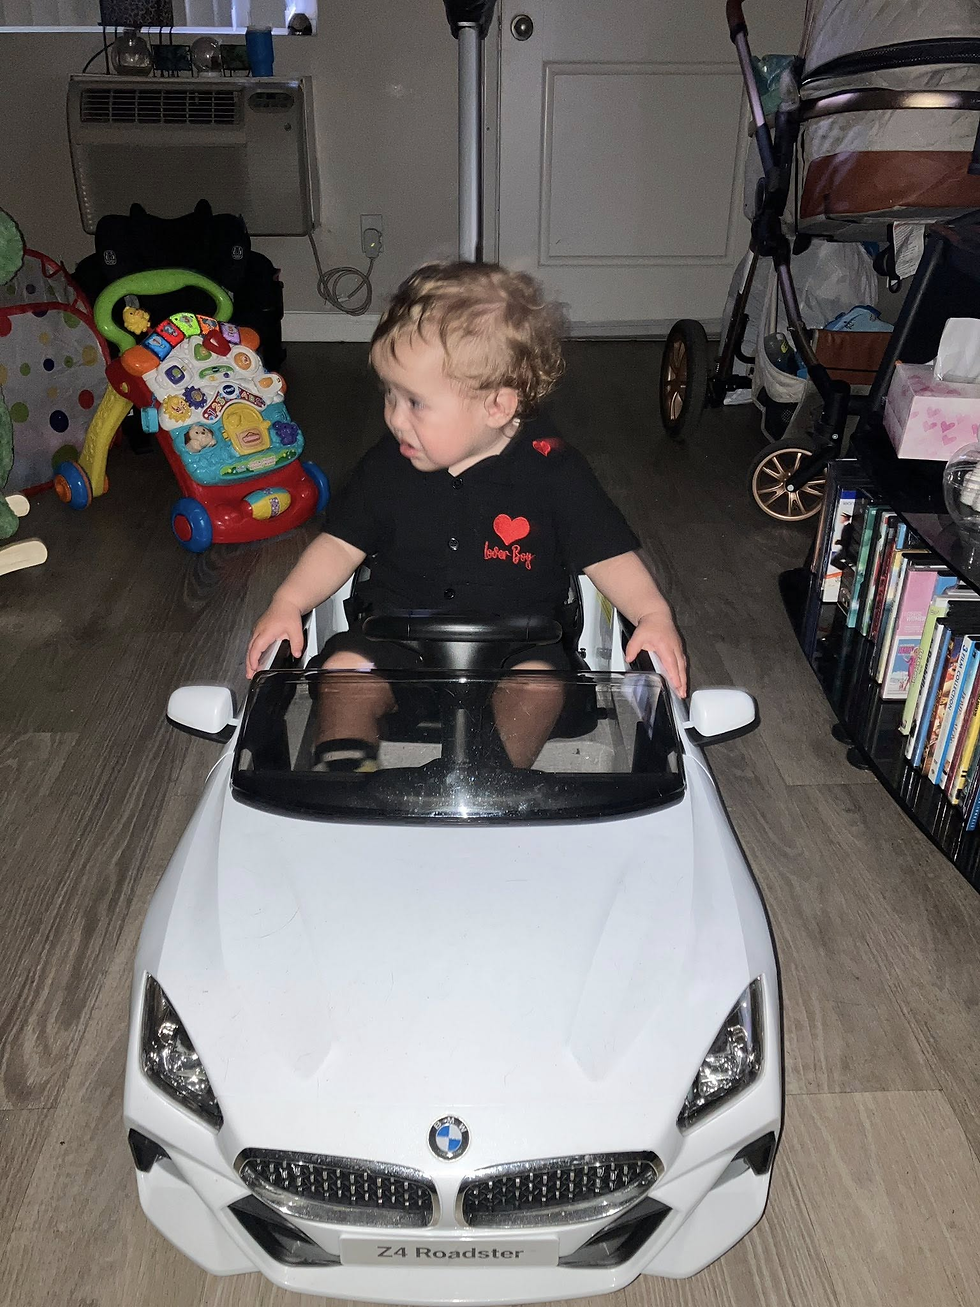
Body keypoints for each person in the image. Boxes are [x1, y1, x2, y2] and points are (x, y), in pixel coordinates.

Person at [246, 261, 687, 770]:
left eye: (415, 402)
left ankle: (493, 774)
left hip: (519, 650)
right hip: (397, 646)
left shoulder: (554, 471)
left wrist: (652, 616)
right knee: (345, 671)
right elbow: (339, 545)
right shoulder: (387, 465)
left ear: (496, 406)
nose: (395, 418)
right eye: (389, 394)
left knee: (540, 686)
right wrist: (287, 602)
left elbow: (608, 554)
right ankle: (345, 775)